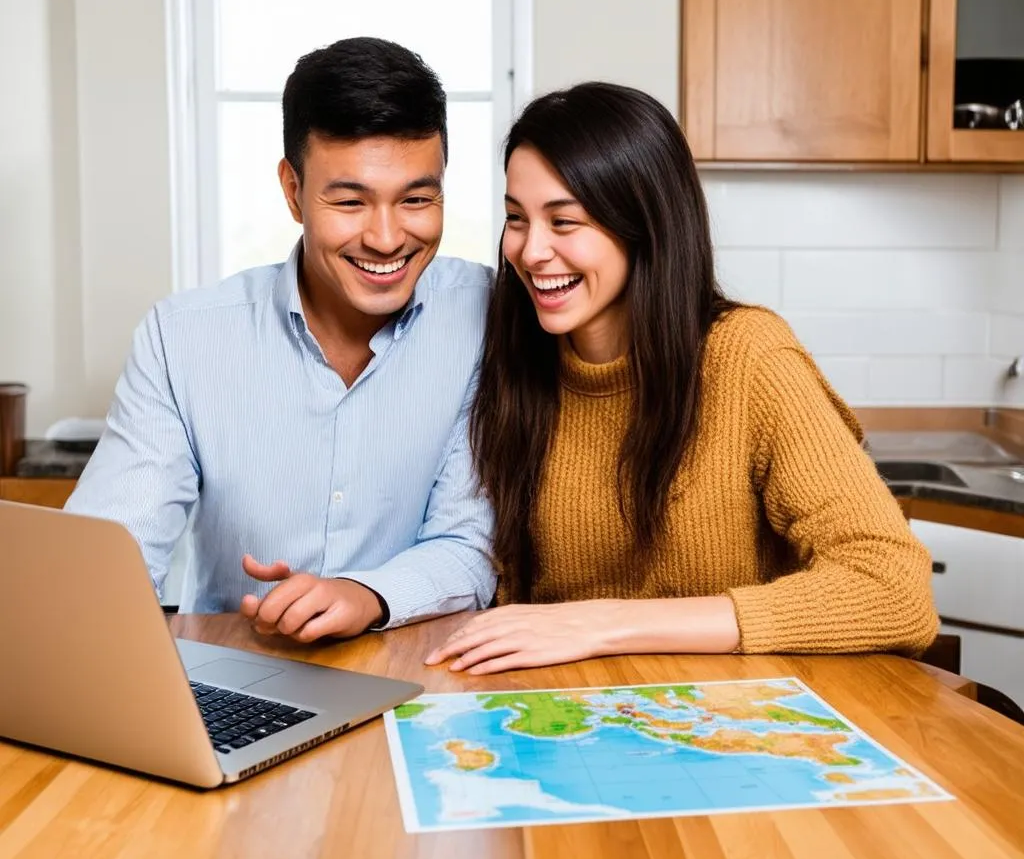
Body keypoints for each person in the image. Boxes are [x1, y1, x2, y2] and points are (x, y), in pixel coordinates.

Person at [426, 81, 938, 674]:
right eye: (517, 218)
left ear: (642, 224)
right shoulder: (513, 363)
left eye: (564, 222)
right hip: (575, 717)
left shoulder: (748, 358)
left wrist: (605, 623)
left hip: (734, 724)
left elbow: (895, 590)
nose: (531, 250)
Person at [67, 37, 496, 641]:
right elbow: (107, 562)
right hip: (242, 668)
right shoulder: (183, 339)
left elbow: (467, 541)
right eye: (349, 201)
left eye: (417, 199)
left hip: (419, 668)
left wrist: (367, 593)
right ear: (292, 190)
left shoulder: (488, 316)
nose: (386, 236)